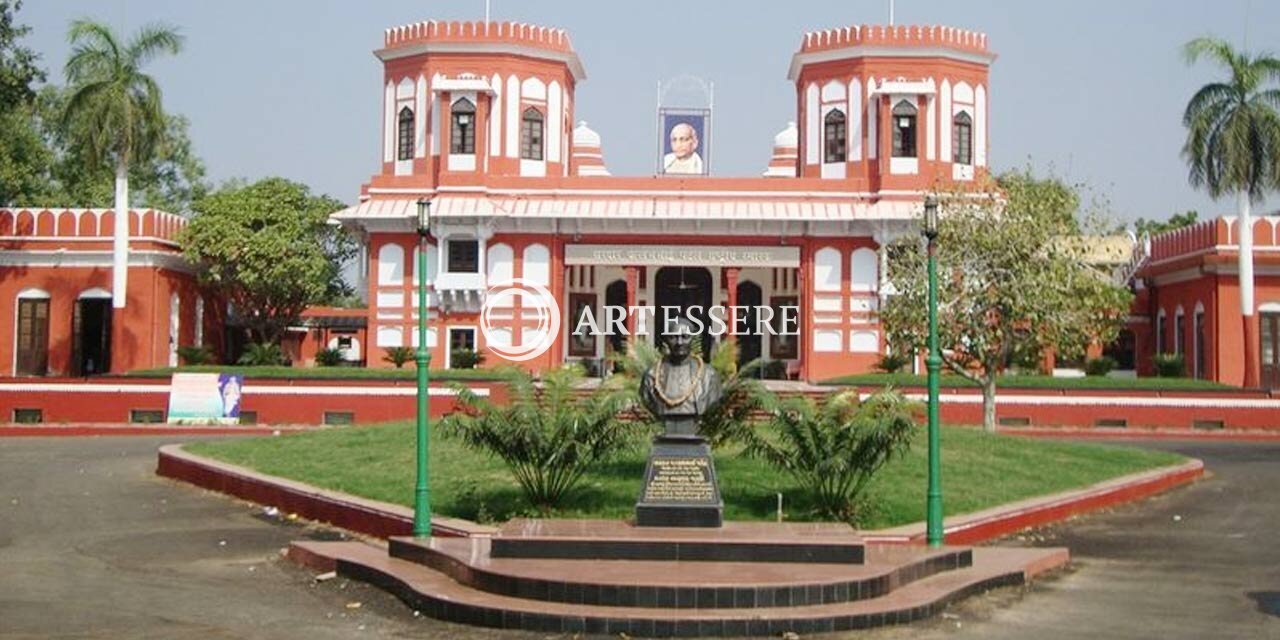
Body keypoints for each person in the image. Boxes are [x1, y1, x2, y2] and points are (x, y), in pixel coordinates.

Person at [639, 316, 722, 439]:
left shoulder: (708, 375)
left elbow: (713, 400)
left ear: (692, 339)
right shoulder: (651, 375)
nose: (679, 342)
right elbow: (647, 400)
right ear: (666, 340)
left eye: (685, 337)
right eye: (673, 337)